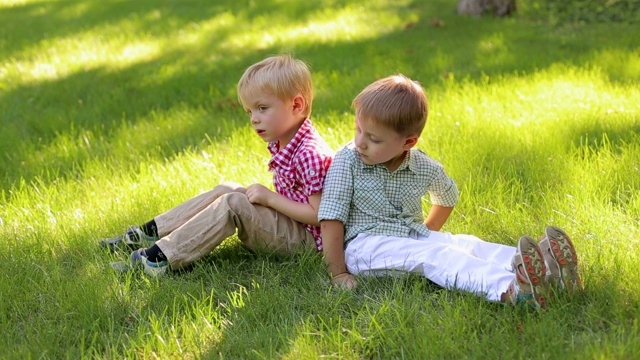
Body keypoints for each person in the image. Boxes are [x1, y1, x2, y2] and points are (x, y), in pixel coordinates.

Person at [318, 74, 582, 308]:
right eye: (358, 130)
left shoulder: (423, 166)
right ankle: (509, 289)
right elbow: (331, 218)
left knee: (465, 244)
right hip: (365, 247)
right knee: (438, 255)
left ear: (408, 142)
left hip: (410, 236)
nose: (360, 142)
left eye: (374, 139)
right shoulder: (348, 160)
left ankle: (550, 273)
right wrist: (338, 273)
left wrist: (427, 232)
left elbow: (446, 197)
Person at [101, 55, 333, 276]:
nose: (254, 118)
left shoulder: (309, 154)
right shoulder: (288, 140)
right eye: (249, 111)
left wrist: (270, 199)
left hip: (308, 241)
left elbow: (321, 216)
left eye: (262, 108)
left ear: (296, 105)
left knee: (233, 203)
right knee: (227, 189)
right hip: (293, 225)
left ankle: (157, 260)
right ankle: (148, 233)